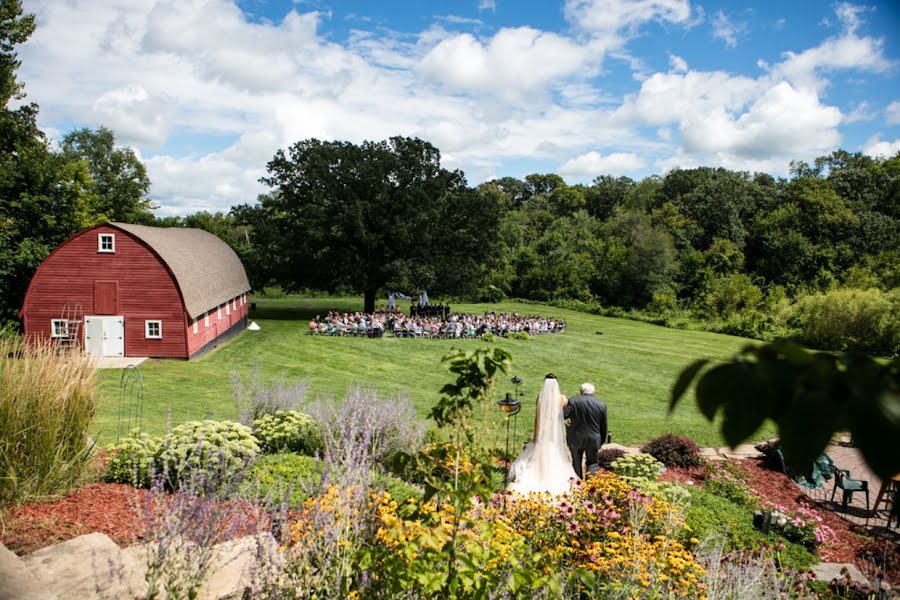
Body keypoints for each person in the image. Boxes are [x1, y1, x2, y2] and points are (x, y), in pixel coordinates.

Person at [507, 374, 578, 495]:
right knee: (556, 455)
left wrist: (536, 436)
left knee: (538, 457)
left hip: (544, 432)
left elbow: (538, 418)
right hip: (555, 433)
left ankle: (540, 477)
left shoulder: (541, 398)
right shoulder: (562, 398)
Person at [563, 383, 607, 479]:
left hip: (575, 438)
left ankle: (577, 485)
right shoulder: (601, 405)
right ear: (594, 392)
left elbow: (564, 415)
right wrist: (601, 440)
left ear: (581, 391)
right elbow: (603, 425)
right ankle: (589, 487)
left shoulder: (573, 401)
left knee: (576, 462)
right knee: (592, 463)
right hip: (593, 438)